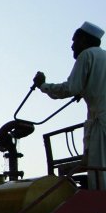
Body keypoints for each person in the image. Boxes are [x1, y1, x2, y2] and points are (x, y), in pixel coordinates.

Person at [33, 21, 106, 189]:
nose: (72, 47)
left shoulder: (86, 55)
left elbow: (70, 88)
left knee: (99, 174)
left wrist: (43, 85)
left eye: (75, 41)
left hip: (100, 125)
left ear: (85, 41)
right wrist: (85, 90)